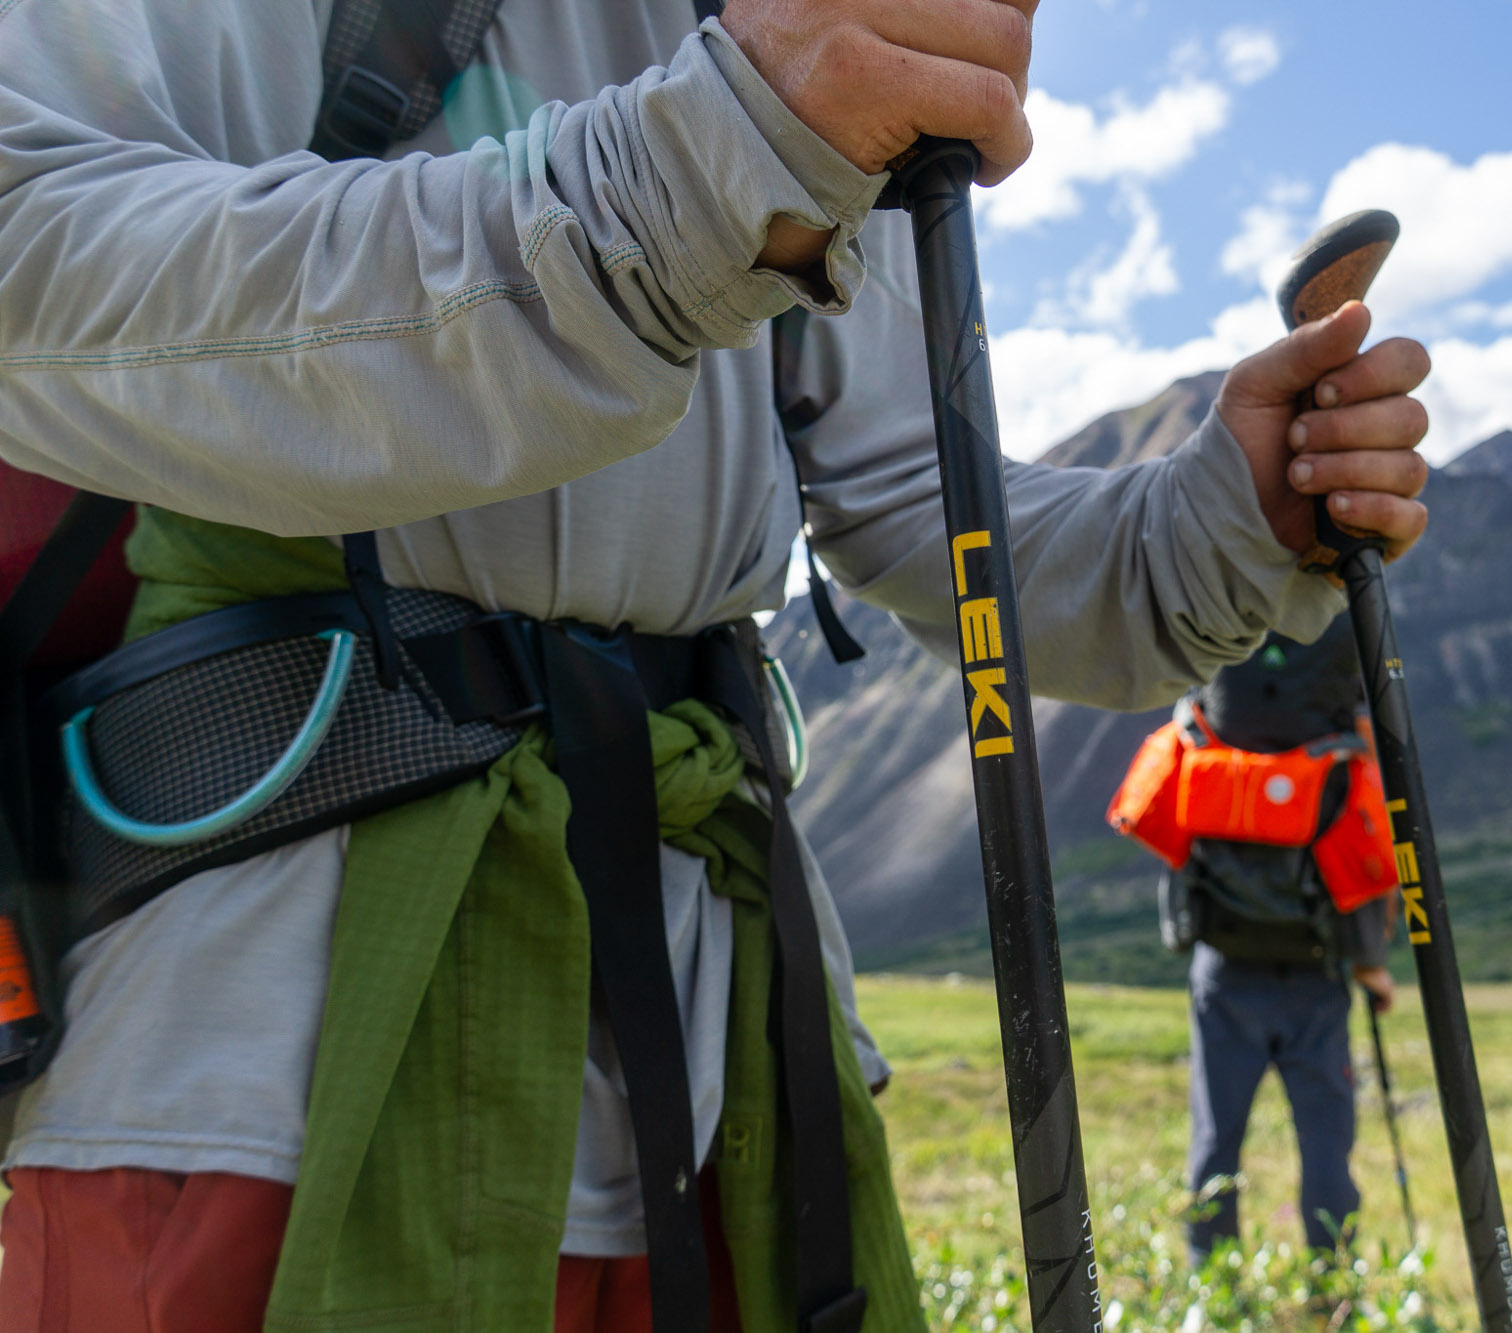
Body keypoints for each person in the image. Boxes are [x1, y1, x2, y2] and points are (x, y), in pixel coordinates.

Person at [0, 0, 1434, 1327]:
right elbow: (29, 249)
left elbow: (927, 515)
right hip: (274, 1063)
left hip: (729, 1057)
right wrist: (684, 181)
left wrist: (1224, 516)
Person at [1126, 622, 1401, 1260]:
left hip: (1224, 969)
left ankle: (1211, 1288)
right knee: (1327, 1144)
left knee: (1215, 1140)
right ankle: (1333, 1284)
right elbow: (1360, 850)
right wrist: (1372, 968)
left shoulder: (1214, 706)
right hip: (1316, 974)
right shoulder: (1337, 731)